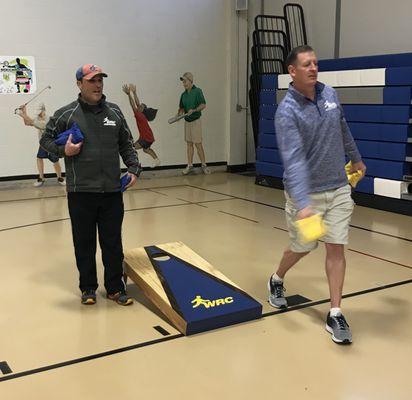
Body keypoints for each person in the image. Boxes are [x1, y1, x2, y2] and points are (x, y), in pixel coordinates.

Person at [268, 45, 366, 344]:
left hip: (337, 188)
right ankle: (276, 279)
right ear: (292, 71)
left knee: (336, 247)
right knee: (303, 246)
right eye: (307, 64)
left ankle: (335, 312)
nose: (313, 68)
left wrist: (356, 157)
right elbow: (293, 160)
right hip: (307, 197)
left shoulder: (330, 95)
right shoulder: (287, 112)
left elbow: (343, 128)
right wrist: (302, 203)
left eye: (316, 63)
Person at [40, 64, 141, 306]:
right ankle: (88, 288)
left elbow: (127, 143)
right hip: (80, 193)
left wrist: (134, 168)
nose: (98, 85)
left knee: (112, 243)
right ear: (79, 84)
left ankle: (116, 288)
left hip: (111, 191)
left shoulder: (114, 112)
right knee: (84, 243)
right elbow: (45, 140)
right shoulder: (66, 114)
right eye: (92, 80)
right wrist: (63, 149)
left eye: (100, 80)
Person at [17, 103, 65, 187]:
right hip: (43, 143)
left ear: (44, 110)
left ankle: (60, 178)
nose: (39, 114)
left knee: (55, 160)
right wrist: (24, 112)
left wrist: (22, 115)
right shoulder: (37, 118)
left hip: (51, 143)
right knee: (39, 158)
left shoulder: (49, 119)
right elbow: (27, 123)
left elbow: (34, 123)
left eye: (40, 112)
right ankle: (41, 178)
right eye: (38, 113)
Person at [178, 72, 210, 175]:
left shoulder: (198, 91)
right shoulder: (183, 95)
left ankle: (204, 165)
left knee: (198, 144)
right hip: (187, 122)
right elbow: (181, 108)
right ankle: (190, 165)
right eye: (183, 81)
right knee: (189, 144)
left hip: (196, 121)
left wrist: (195, 110)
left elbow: (203, 105)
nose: (183, 83)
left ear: (191, 81)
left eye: (185, 81)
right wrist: (179, 115)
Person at [122, 83, 160, 167]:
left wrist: (129, 94)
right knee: (146, 149)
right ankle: (157, 160)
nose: (139, 106)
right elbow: (137, 103)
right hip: (148, 136)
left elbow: (133, 104)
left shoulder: (139, 115)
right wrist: (134, 92)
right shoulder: (142, 114)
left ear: (142, 110)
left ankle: (135, 165)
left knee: (131, 148)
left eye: (141, 106)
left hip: (145, 138)